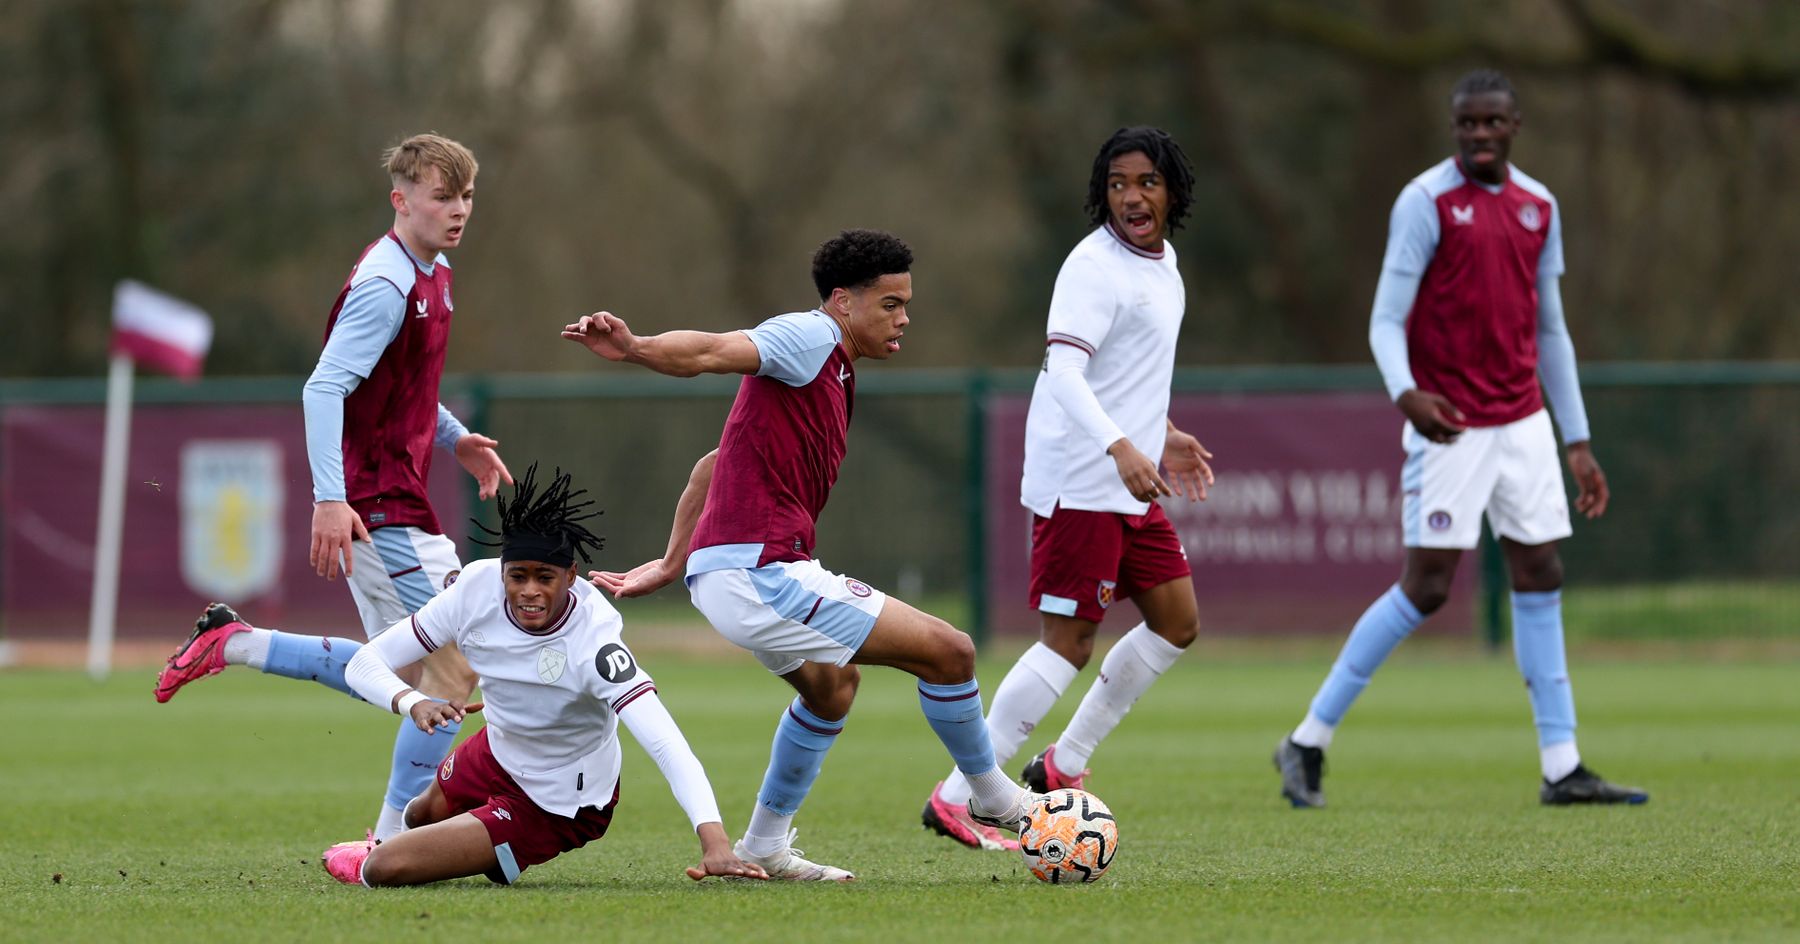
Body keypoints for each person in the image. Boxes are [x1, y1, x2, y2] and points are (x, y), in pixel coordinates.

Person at [561, 229, 1042, 881]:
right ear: (844, 302)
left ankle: (763, 845)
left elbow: (712, 466)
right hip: (758, 573)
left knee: (831, 690)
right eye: (890, 304)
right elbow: (710, 351)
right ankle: (993, 798)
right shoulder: (809, 337)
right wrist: (636, 348)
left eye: (906, 305)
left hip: (736, 574)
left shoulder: (834, 367)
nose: (904, 318)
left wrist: (673, 563)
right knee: (951, 651)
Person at [1272, 70, 1647, 808]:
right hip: (1450, 424)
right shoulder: (1425, 202)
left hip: (1523, 425)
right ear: (1454, 129)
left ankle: (1562, 765)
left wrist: (1577, 438)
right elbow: (1386, 318)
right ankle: (1307, 739)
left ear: (1516, 125)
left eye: (1493, 122)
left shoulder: (1539, 207)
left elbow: (1551, 328)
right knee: (1429, 586)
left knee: (1541, 573)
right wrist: (1405, 392)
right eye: (1467, 124)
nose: (1480, 134)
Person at [154, 133, 514, 840]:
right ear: (400, 200)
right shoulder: (386, 285)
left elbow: (400, 388)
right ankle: (389, 843)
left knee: (403, 667)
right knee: (453, 664)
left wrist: (454, 438)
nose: (458, 210)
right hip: (378, 506)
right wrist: (330, 497)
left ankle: (234, 643)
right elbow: (324, 388)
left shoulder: (434, 271)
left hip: (398, 499)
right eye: (443, 197)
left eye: (467, 196)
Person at [919, 126, 1215, 851]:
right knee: (1068, 642)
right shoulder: (1092, 268)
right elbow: (1065, 371)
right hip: (1083, 477)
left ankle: (1062, 764)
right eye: (1117, 184)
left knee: (1177, 621)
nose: (1131, 197)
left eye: (1145, 181)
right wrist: (1119, 444)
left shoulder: (1164, 261)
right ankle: (958, 796)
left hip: (1125, 474)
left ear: (1171, 187)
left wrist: (1159, 431)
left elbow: (1126, 370)